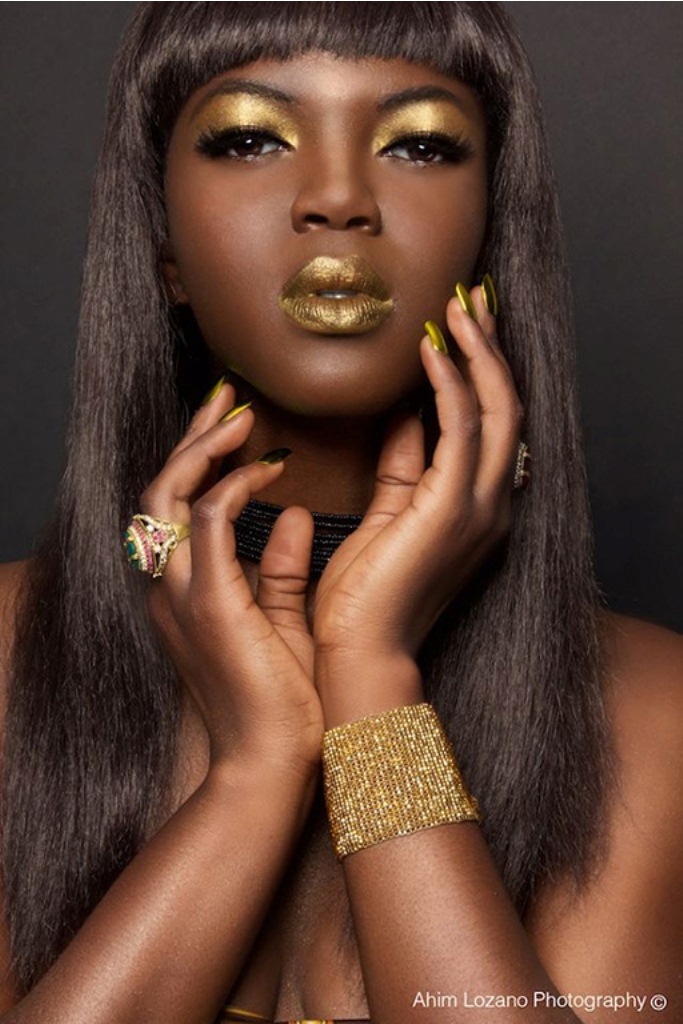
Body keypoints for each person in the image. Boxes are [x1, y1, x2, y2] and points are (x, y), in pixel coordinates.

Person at [0, 4, 680, 1023]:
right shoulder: (8, 657)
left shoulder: (654, 717)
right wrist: (253, 773)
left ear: (488, 239)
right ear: (163, 246)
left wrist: (370, 679)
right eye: (249, 138)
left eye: (417, 144)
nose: (336, 198)